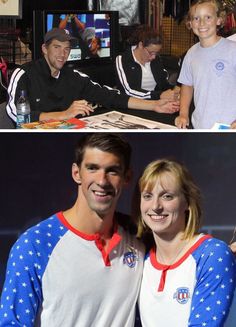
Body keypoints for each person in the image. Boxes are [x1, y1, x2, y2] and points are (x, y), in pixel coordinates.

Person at [0, 133, 145, 326]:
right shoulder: (35, 244)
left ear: (127, 177)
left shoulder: (139, 239)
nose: (102, 181)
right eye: (92, 168)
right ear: (76, 173)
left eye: (112, 171)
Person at [6, 28, 179, 124]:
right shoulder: (24, 74)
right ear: (44, 49)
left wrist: (154, 105)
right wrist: (64, 114)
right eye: (57, 47)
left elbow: (111, 96)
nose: (62, 54)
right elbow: (17, 115)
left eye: (67, 49)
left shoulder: (73, 75)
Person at [137, 159, 236, 326]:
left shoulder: (211, 254)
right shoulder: (140, 259)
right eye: (148, 196)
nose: (155, 206)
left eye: (167, 196)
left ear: (188, 203)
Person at [175, 0, 236, 129]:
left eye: (208, 17)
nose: (202, 23)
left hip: (230, 127)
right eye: (196, 18)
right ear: (190, 23)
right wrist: (183, 113)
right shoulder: (190, 54)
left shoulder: (233, 50)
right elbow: (187, 84)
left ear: (219, 20)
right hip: (201, 126)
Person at [115, 24, 180, 101]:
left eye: (156, 53)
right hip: (133, 105)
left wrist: (175, 90)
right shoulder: (123, 59)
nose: (154, 57)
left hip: (156, 103)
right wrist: (159, 95)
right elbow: (128, 91)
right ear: (141, 45)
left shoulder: (156, 60)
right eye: (151, 52)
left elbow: (163, 85)